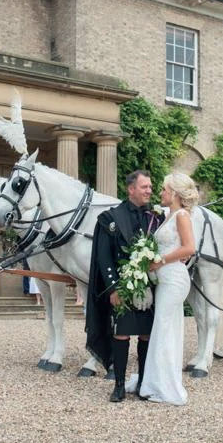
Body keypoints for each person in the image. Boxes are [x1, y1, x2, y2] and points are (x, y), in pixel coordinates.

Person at [85, 170, 164, 403]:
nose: (149, 190)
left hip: (150, 287)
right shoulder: (110, 218)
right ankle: (119, 385)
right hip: (123, 285)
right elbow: (104, 257)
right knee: (121, 334)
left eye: (150, 187)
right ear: (131, 189)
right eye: (144, 187)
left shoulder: (156, 217)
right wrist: (113, 288)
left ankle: (142, 383)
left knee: (146, 335)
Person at [138, 172, 197, 405]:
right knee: (165, 328)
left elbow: (189, 248)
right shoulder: (168, 215)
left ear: (173, 193)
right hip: (165, 279)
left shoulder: (182, 215)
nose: (160, 193)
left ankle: (163, 386)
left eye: (163, 189)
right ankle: (156, 381)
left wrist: (160, 261)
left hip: (173, 279)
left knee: (163, 327)